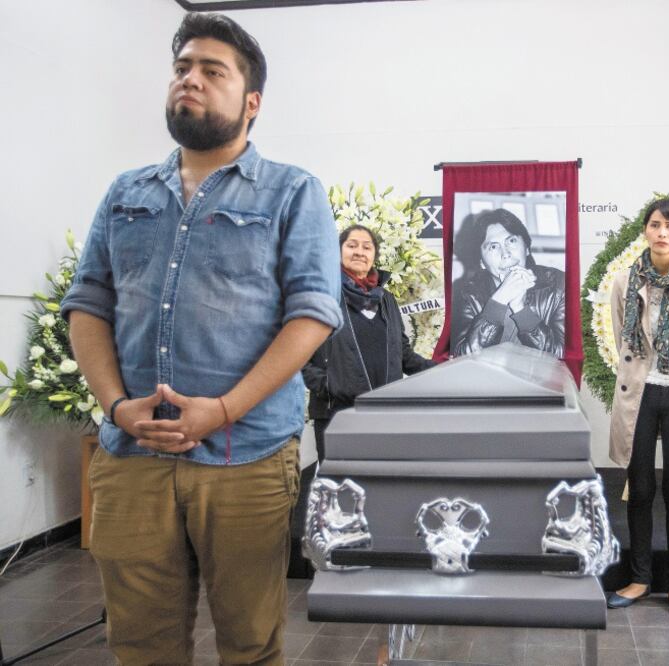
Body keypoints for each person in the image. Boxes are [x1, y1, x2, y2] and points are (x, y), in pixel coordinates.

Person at [61, 13, 341, 665]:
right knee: (138, 643)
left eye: (212, 70)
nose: (190, 78)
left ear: (251, 102)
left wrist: (222, 409)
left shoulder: (293, 192)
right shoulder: (126, 192)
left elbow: (312, 314)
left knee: (250, 641)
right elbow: (88, 305)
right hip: (131, 456)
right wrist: (114, 405)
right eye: (182, 67)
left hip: (245, 457)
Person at [604, 198, 669, 621]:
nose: (662, 232)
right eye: (655, 224)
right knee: (640, 488)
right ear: (645, 231)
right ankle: (639, 578)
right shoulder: (625, 282)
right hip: (642, 391)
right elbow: (621, 337)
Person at [303, 224, 435, 460]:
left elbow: (403, 355)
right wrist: (330, 387)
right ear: (338, 251)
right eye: (351, 245)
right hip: (337, 414)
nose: (359, 252)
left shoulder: (386, 300)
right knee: (340, 486)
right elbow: (300, 356)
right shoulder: (322, 296)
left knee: (382, 485)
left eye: (367, 247)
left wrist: (444, 369)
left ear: (374, 255)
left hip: (384, 416)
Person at [451, 208, 565, 356]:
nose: (505, 254)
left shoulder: (557, 285)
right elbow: (462, 357)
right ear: (481, 262)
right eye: (493, 247)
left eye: (511, 241)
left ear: (527, 248)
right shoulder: (468, 294)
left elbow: (562, 356)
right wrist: (499, 300)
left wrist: (520, 309)